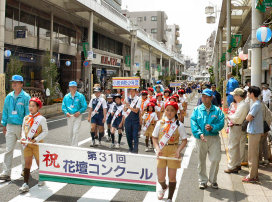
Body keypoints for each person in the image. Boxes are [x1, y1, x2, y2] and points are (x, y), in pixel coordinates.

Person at [152, 101, 188, 201]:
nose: (169, 113)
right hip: (162, 151)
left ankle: (170, 198)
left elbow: (184, 140)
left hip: (173, 151)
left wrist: (178, 151)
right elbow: (154, 138)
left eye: (172, 110)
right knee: (160, 178)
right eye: (167, 110)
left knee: (172, 177)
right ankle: (163, 187)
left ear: (176, 111)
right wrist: (157, 148)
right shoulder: (160, 123)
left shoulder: (179, 125)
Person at [191, 88, 225, 189]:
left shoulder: (217, 110)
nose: (204, 99)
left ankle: (213, 180)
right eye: (203, 97)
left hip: (214, 138)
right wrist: (199, 133)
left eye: (207, 97)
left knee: (215, 159)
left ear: (211, 98)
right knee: (201, 160)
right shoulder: (197, 110)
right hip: (201, 138)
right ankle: (202, 181)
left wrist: (213, 127)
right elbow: (193, 123)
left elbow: (221, 123)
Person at [0, 75, 31, 181]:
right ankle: (6, 172)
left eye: (17, 82)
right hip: (10, 126)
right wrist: (4, 125)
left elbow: (28, 113)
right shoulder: (9, 97)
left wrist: (26, 128)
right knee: (8, 149)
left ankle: (24, 170)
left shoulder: (26, 97)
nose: (14, 84)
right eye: (13, 82)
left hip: (22, 127)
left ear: (22, 84)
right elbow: (5, 111)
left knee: (24, 150)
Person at [19, 97, 48, 192]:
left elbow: (45, 131)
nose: (30, 108)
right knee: (27, 163)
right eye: (29, 106)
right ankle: (25, 183)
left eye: (33, 106)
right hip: (27, 144)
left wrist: (36, 139)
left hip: (37, 144)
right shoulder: (26, 118)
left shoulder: (41, 119)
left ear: (38, 107)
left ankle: (42, 178)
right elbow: (23, 129)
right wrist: (23, 137)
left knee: (39, 162)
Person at [224, 88, 249, 173]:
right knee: (237, 147)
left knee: (232, 147)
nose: (233, 96)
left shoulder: (242, 105)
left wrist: (229, 116)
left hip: (236, 126)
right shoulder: (242, 104)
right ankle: (237, 164)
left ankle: (232, 166)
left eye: (234, 95)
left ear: (238, 96)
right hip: (238, 126)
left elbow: (235, 118)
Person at [243, 86, 263, 183]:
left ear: (252, 94)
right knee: (254, 154)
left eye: (248, 92)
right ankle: (254, 175)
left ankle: (252, 176)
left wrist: (246, 117)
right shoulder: (257, 104)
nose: (247, 94)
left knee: (252, 155)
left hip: (254, 131)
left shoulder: (256, 105)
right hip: (255, 131)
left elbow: (249, 117)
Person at [62, 81, 87, 146]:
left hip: (77, 115)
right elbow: (63, 106)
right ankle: (71, 145)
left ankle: (75, 146)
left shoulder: (80, 96)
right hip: (69, 116)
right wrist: (66, 112)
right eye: (71, 87)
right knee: (70, 132)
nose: (73, 88)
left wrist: (79, 112)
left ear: (76, 88)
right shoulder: (66, 97)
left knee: (75, 131)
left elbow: (84, 106)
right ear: (69, 88)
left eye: (74, 87)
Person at [124, 88, 141, 153]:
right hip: (127, 119)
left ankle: (135, 150)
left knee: (135, 135)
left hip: (135, 120)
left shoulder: (138, 99)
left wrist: (129, 107)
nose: (131, 92)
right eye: (130, 91)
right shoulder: (127, 99)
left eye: (132, 91)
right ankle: (130, 148)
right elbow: (124, 110)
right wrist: (125, 106)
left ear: (135, 91)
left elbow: (136, 110)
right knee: (128, 135)